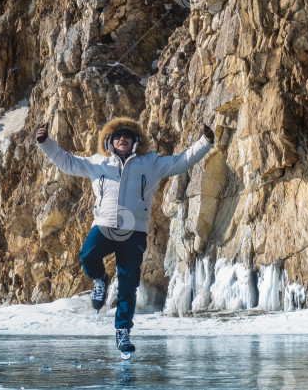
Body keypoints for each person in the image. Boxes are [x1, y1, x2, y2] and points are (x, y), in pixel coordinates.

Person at [35, 117, 214, 356]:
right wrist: (45, 142)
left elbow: (181, 162)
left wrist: (205, 142)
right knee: (87, 256)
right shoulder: (97, 163)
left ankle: (123, 333)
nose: (122, 139)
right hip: (104, 225)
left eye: (127, 136)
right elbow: (67, 162)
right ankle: (100, 279)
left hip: (134, 231)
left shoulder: (150, 163)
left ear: (135, 141)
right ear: (109, 140)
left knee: (128, 285)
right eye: (118, 136)